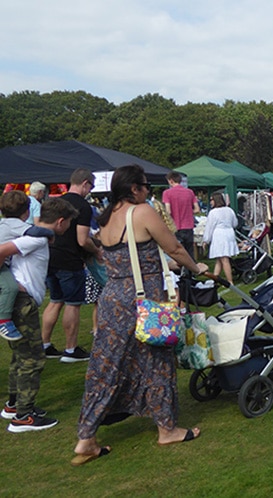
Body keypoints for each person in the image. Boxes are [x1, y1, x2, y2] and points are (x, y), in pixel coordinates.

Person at [72, 165, 209, 466]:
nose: (148, 191)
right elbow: (172, 246)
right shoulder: (142, 211)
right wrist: (196, 267)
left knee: (105, 366)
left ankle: (86, 438)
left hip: (113, 299)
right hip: (143, 299)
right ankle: (167, 429)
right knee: (157, 360)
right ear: (134, 188)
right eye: (146, 186)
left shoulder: (107, 217)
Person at [0, 194, 78, 432]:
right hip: (22, 303)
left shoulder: (33, 234)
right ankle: (23, 416)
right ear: (61, 221)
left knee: (20, 355)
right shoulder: (34, 239)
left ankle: (14, 405)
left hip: (20, 300)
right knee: (32, 359)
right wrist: (15, 283)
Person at [41, 168, 101, 363]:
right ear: (85, 183)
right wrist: (97, 251)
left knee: (55, 301)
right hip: (70, 259)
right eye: (90, 187)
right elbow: (83, 240)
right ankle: (70, 350)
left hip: (50, 256)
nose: (89, 191)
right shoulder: (83, 206)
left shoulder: (54, 202)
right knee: (72, 304)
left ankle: (45, 345)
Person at [0, 193, 56, 342]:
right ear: (27, 211)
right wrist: (50, 234)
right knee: (10, 287)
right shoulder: (14, 224)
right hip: (1, 266)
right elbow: (34, 231)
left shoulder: (3, 223)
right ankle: (3, 320)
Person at [162, 171, 199, 260]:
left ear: (171, 181)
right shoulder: (190, 192)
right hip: (189, 226)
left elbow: (168, 211)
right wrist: (189, 212)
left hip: (176, 226)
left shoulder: (167, 193)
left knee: (178, 253)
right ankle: (191, 271)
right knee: (190, 252)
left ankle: (181, 272)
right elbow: (197, 209)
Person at [202, 192, 238, 283]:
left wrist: (206, 240)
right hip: (229, 233)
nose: (210, 202)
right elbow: (235, 223)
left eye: (211, 200)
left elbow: (209, 227)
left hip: (220, 235)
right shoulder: (229, 210)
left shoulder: (213, 212)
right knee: (219, 258)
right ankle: (215, 279)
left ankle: (230, 281)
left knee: (224, 259)